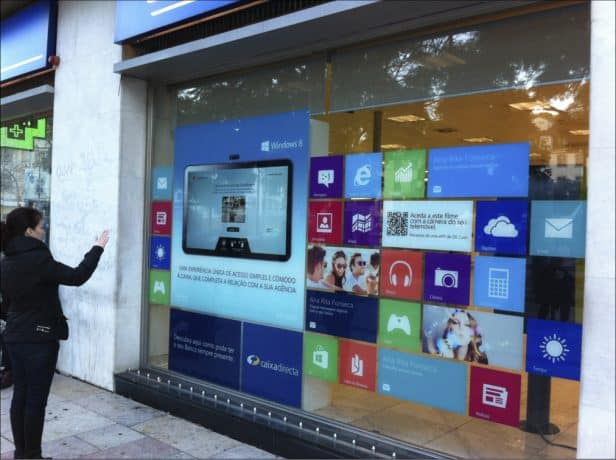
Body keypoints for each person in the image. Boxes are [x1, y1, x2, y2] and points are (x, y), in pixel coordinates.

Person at [0, 207, 109, 459]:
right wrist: (97, 248)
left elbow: (7, 304)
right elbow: (77, 276)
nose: (44, 229)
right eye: (41, 226)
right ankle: (33, 455)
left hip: (15, 337)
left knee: (21, 396)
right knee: (36, 400)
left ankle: (22, 454)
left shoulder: (7, 261)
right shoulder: (39, 260)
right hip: (40, 339)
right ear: (29, 232)